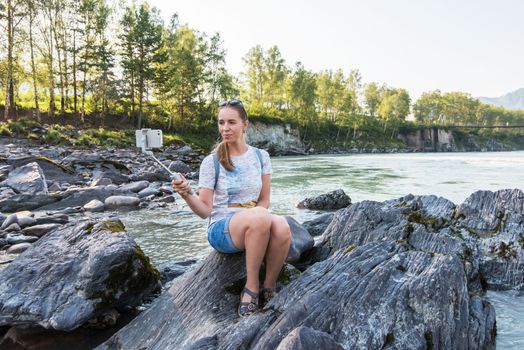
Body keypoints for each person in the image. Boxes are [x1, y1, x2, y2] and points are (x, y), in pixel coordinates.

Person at [171, 99, 291, 317]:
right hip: (222, 228)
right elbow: (205, 211)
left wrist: (257, 215)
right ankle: (251, 287)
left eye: (231, 122)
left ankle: (269, 287)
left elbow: (264, 200)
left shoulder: (260, 156)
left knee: (282, 226)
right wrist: (187, 194)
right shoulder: (212, 162)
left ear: (245, 124)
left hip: (256, 221)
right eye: (221, 122)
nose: (225, 128)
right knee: (259, 218)